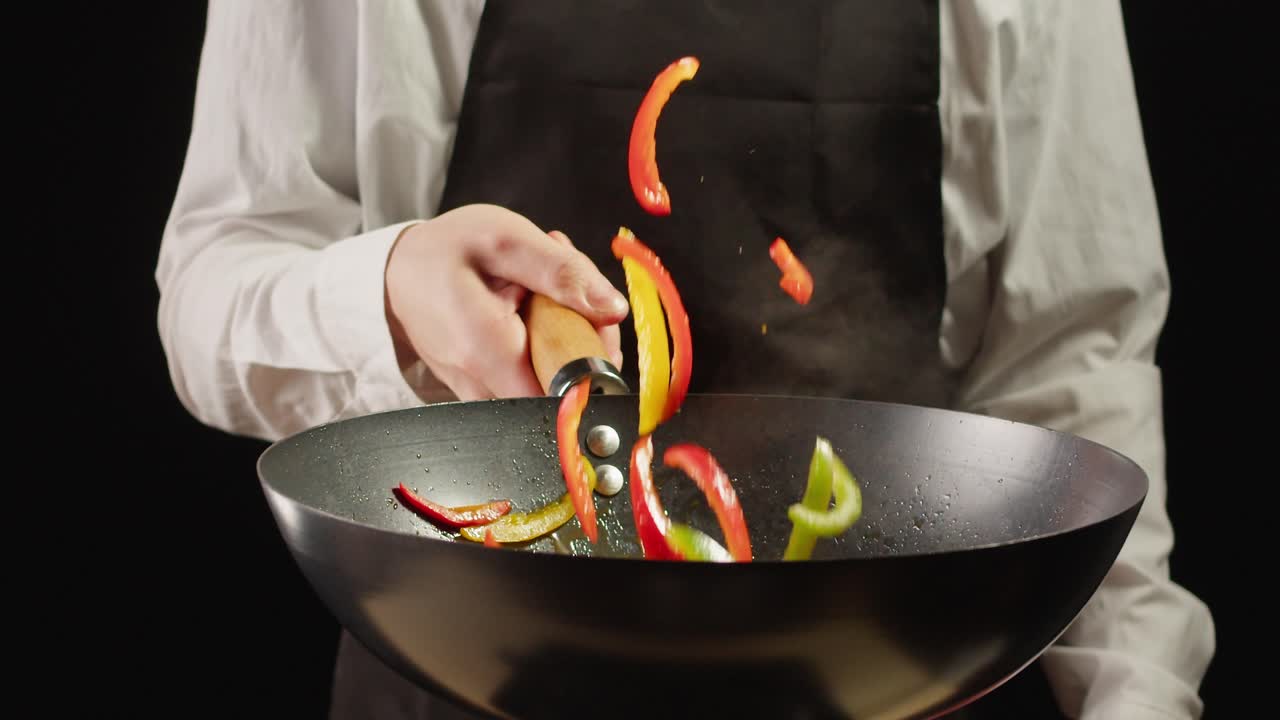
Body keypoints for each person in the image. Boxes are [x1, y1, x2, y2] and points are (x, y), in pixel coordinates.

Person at [155, 1, 1215, 718]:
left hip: (890, 687)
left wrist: (1136, 698)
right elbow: (209, 292)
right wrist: (388, 292)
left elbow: (1073, 362)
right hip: (465, 683)